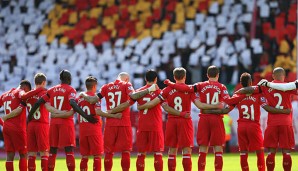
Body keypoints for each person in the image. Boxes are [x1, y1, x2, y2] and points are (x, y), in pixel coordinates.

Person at [202, 72, 291, 171]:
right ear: (251, 82)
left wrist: (209, 110)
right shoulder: (257, 94)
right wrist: (284, 111)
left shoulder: (237, 95)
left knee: (243, 153)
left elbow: (225, 110)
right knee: (260, 151)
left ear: (241, 83)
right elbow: (266, 107)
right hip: (254, 126)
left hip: (241, 126)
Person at [138, 67, 221, 171]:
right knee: (186, 150)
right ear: (185, 77)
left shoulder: (167, 90)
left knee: (172, 150)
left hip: (172, 121)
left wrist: (141, 107)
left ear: (174, 77)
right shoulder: (189, 90)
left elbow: (159, 104)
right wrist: (215, 106)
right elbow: (200, 105)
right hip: (185, 121)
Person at [80, 72, 157, 171]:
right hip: (123, 121)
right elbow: (133, 96)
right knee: (125, 152)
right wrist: (149, 89)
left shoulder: (106, 87)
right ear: (126, 79)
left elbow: (93, 100)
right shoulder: (126, 85)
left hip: (110, 123)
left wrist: (82, 94)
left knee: (108, 152)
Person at [28, 70, 97, 171]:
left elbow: (38, 102)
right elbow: (73, 103)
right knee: (68, 150)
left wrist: (30, 116)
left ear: (60, 79)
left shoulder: (51, 90)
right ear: (69, 79)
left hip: (54, 122)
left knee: (52, 150)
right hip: (66, 122)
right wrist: (86, 116)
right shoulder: (71, 90)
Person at [164, 65, 230, 171]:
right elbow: (228, 102)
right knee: (218, 149)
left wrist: (170, 83)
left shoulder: (200, 85)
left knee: (202, 149)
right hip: (216, 118)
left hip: (203, 118)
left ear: (207, 75)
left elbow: (184, 88)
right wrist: (220, 106)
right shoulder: (222, 87)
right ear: (218, 75)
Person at [236, 67, 296, 171]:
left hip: (272, 123)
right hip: (286, 122)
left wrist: (240, 91)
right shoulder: (289, 87)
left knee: (271, 152)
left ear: (273, 76)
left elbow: (250, 89)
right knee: (286, 152)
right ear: (284, 76)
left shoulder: (265, 87)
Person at [77, 76, 122, 171]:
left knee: (84, 157)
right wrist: (114, 116)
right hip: (94, 130)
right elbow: (98, 112)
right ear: (94, 86)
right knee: (97, 156)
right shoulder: (95, 97)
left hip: (82, 131)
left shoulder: (79, 98)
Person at [135, 70, 164, 171]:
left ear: (145, 79)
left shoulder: (139, 92)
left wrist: (140, 107)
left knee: (141, 154)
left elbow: (133, 101)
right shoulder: (159, 92)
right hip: (155, 125)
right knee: (157, 153)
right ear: (156, 79)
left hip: (142, 125)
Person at [0, 80, 32, 171]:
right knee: (23, 154)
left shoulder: (5, 94)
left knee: (10, 154)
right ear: (25, 88)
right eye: (28, 91)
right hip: (17, 128)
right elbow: (23, 97)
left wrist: (3, 123)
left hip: (6, 128)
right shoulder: (20, 92)